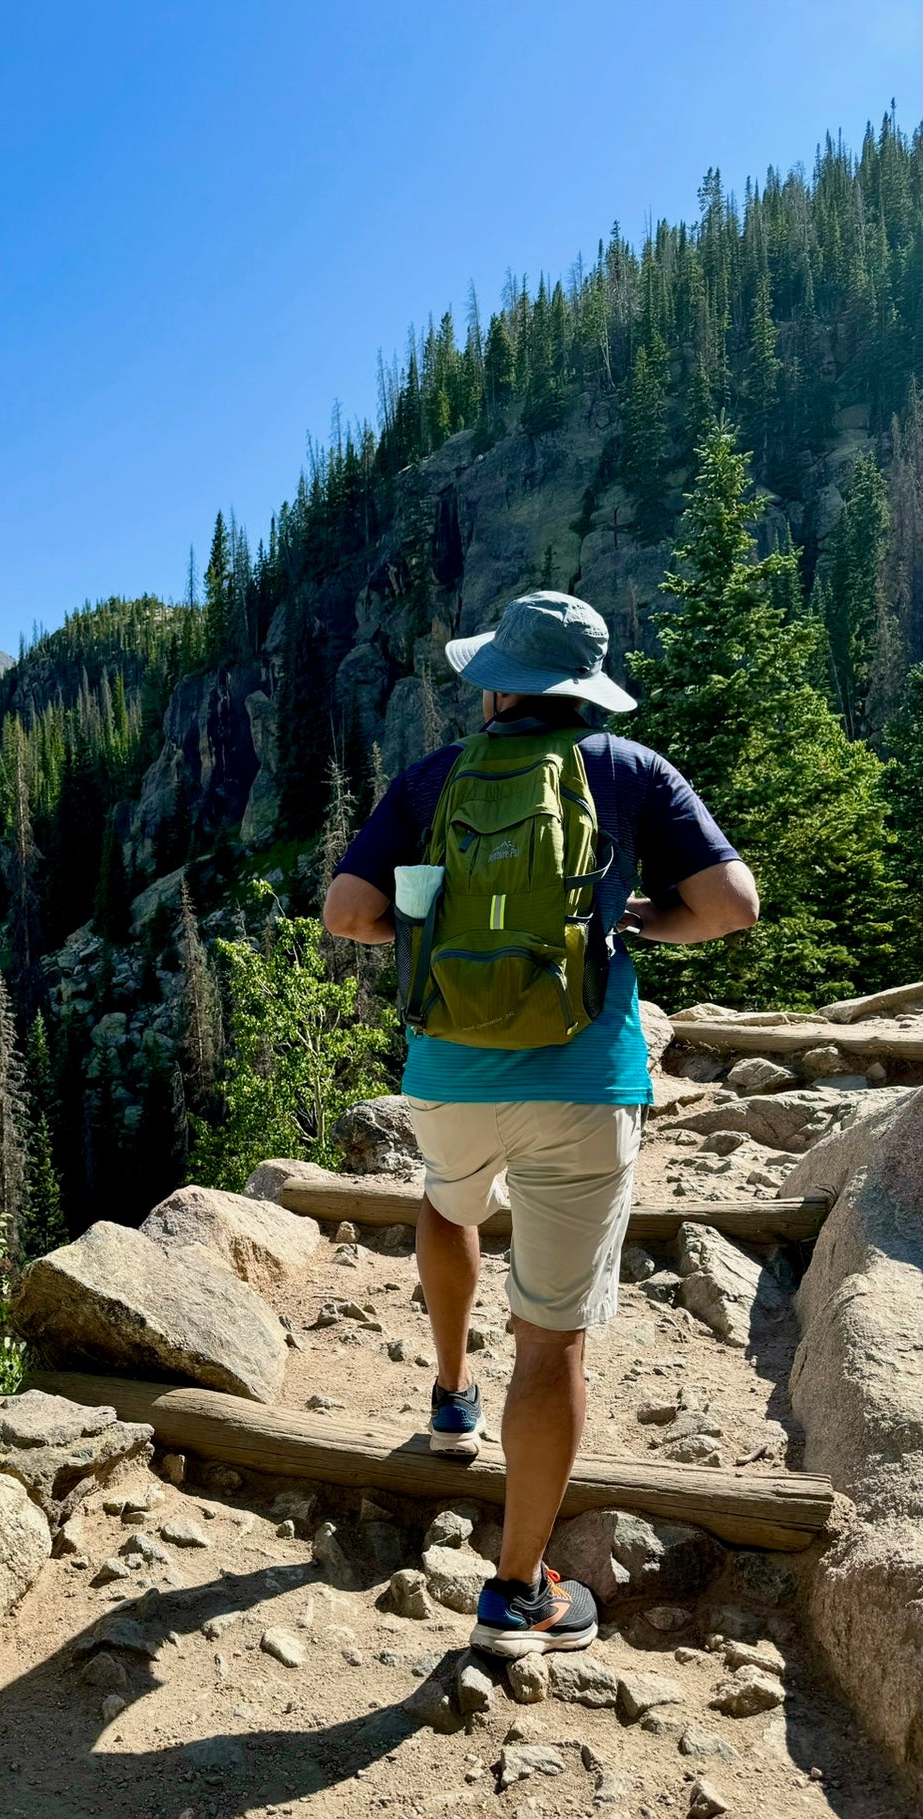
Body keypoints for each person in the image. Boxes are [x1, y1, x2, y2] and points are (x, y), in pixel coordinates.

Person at [323, 591, 758, 1656]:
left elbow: (346, 912)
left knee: (446, 1201)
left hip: (444, 1070)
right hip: (582, 1080)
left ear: (498, 681)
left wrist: (439, 948)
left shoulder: (431, 780)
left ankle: (446, 1398)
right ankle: (514, 1593)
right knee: (550, 1337)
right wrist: (633, 918)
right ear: (585, 689)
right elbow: (730, 904)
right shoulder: (629, 771)